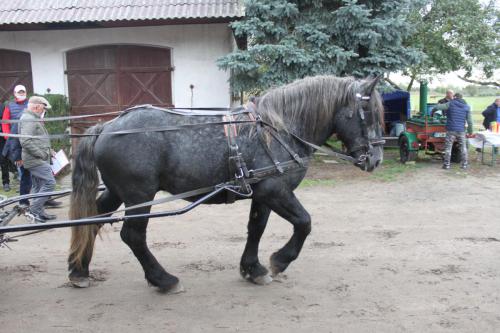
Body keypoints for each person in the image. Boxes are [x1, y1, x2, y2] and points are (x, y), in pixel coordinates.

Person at [19, 96, 57, 222]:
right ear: (37, 106)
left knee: (38, 186)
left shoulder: (32, 118)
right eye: (43, 107)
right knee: (49, 183)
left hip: (36, 158)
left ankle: (39, 212)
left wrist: (49, 151)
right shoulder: (29, 119)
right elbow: (26, 140)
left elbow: (37, 139)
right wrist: (41, 154)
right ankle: (34, 210)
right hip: (35, 159)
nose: (44, 110)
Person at [2, 85, 31, 206]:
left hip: (30, 141)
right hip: (17, 144)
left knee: (38, 173)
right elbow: (5, 123)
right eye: (19, 92)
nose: (21, 93)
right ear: (14, 93)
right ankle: (24, 201)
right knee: (23, 174)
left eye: (23, 91)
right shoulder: (9, 106)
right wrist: (9, 137)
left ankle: (44, 199)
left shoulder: (31, 103)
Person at [433, 93, 473, 170]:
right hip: (461, 130)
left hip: (451, 129)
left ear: (454, 97)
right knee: (463, 147)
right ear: (462, 97)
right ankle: (464, 164)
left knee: (448, 147)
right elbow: (470, 121)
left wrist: (437, 104)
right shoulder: (467, 107)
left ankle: (446, 165)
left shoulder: (450, 103)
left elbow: (438, 107)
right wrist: (470, 132)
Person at [0, 101, 11, 191]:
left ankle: (6, 182)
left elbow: (5, 122)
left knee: (3, 160)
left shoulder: (2, 107)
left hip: (2, 138)